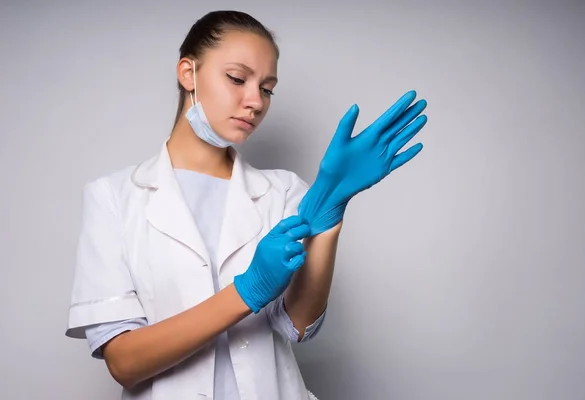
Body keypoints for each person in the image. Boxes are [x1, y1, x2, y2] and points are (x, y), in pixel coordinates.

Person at [65, 9, 428, 400]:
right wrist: (248, 291)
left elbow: (298, 326)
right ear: (188, 73)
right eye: (237, 79)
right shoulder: (114, 197)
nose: (255, 101)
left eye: (267, 88)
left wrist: (328, 218)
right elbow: (124, 363)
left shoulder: (284, 191)